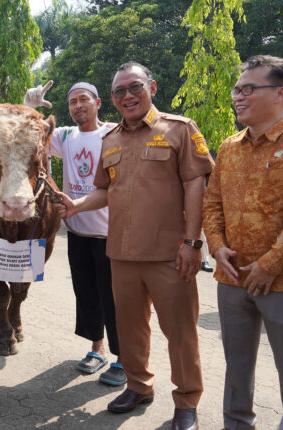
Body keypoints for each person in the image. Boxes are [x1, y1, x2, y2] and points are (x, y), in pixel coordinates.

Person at [58, 61, 212, 430]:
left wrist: (193, 242)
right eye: (119, 91)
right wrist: (76, 205)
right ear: (111, 98)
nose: (127, 96)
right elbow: (103, 189)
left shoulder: (179, 130)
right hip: (121, 254)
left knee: (180, 332)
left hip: (169, 254)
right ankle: (139, 385)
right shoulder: (109, 140)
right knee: (129, 329)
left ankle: (187, 400)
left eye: (134, 87)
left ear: (152, 87)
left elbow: (196, 186)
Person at [203, 55, 283, 430]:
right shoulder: (229, 146)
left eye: (249, 89)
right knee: (236, 364)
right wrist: (216, 247)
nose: (238, 96)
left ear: (281, 93)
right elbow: (211, 202)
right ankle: (236, 424)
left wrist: (270, 264)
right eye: (237, 89)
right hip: (231, 276)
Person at [23, 80, 124, 386]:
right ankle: (97, 349)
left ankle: (125, 359)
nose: (78, 106)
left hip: (112, 234)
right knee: (87, 295)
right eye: (72, 102)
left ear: (97, 103)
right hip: (78, 232)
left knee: (116, 300)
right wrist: (29, 107)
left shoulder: (115, 132)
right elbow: (26, 137)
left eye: (84, 100)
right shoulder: (65, 136)